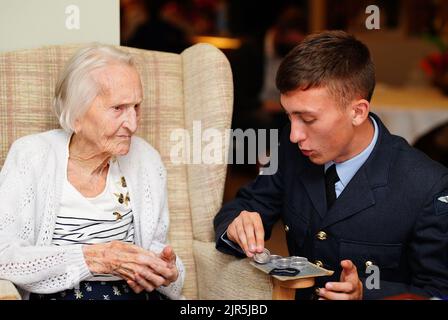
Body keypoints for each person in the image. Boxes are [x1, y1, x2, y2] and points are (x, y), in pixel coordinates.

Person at [214, 31, 448, 300]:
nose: (294, 135)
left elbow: (437, 291)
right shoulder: (291, 152)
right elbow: (245, 205)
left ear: (357, 112)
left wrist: (367, 295)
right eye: (289, 116)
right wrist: (237, 224)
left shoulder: (427, 185)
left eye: (308, 119)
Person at [0, 45, 185, 300]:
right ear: (76, 114)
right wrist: (93, 259)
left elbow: (154, 248)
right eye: (118, 108)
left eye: (137, 107)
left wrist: (168, 271)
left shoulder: (146, 160)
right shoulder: (31, 156)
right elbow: (4, 256)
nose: (132, 124)